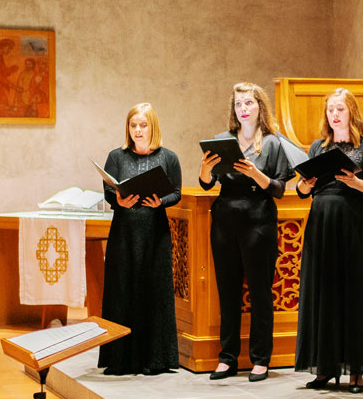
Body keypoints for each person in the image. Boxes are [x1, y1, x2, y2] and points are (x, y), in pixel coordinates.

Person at [294, 89, 363, 393]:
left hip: (353, 224)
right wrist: (304, 183)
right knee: (322, 292)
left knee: (353, 292)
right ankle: (323, 368)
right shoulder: (317, 147)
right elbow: (301, 190)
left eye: (340, 109)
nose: (334, 115)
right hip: (321, 224)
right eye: (330, 110)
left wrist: (356, 182)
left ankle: (356, 371)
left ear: (351, 112)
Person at [199, 83, 295, 382]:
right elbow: (205, 184)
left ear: (259, 107)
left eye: (249, 103)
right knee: (227, 292)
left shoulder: (273, 143)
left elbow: (279, 189)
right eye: (239, 103)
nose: (243, 108)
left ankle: (260, 359)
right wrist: (205, 169)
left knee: (259, 292)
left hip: (259, 219)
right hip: (225, 218)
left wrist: (256, 174)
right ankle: (227, 359)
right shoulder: (222, 139)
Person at [98, 102, 182, 376]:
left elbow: (176, 193)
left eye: (143, 125)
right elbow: (109, 192)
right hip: (124, 232)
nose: (137, 130)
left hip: (154, 233)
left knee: (154, 292)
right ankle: (121, 359)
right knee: (122, 290)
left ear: (152, 127)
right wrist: (119, 200)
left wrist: (161, 202)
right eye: (133, 125)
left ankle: (154, 359)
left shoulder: (168, 157)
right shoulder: (116, 156)